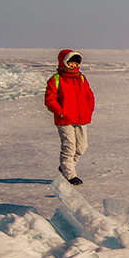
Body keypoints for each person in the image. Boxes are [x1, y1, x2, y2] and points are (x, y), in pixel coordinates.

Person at [45, 49, 94, 185]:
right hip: (65, 119)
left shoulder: (81, 78)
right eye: (70, 62)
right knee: (69, 146)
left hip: (81, 118)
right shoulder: (56, 79)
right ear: (64, 62)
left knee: (82, 146)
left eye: (75, 63)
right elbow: (50, 99)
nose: (73, 65)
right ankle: (70, 174)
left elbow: (89, 95)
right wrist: (61, 112)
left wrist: (89, 109)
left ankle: (66, 166)